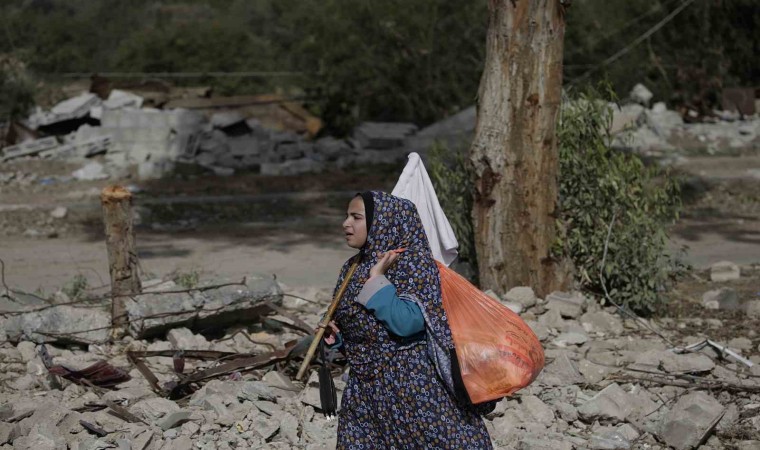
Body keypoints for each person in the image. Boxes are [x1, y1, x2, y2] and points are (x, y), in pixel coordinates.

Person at [323, 190, 493, 449]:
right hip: (365, 389)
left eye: (356, 217)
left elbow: (408, 323)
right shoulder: (352, 267)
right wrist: (336, 336)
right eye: (347, 216)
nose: (346, 224)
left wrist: (378, 278)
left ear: (383, 222)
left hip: (411, 386)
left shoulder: (413, 264)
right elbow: (359, 326)